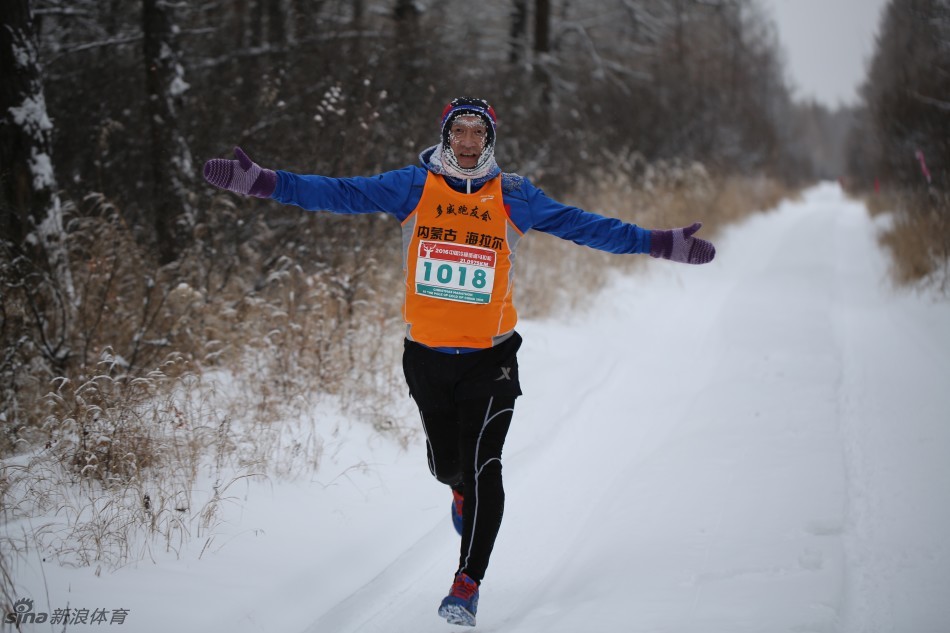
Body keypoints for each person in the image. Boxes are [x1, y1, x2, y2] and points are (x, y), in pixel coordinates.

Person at [202, 97, 715, 626]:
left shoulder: (514, 195)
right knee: (449, 467)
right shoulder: (410, 186)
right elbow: (339, 192)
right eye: (460, 132)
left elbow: (585, 226)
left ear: (490, 139)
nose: (469, 142)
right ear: (446, 136)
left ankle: (466, 584)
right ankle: (459, 492)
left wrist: (659, 243)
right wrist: (264, 181)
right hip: (426, 358)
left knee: (485, 465)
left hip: (490, 359)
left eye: (478, 133)